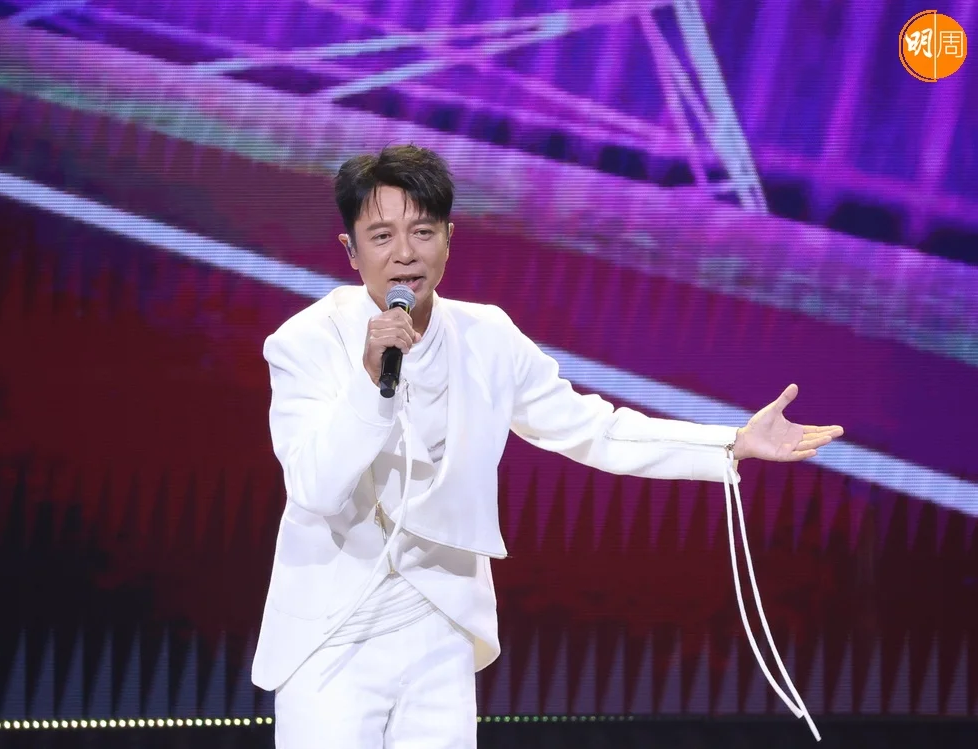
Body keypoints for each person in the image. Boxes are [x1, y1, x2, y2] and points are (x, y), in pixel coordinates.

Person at [251, 144, 843, 748]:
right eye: (382, 236)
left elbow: (595, 429)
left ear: (449, 239)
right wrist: (369, 381)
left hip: (440, 626)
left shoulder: (488, 337)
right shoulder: (306, 343)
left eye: (422, 231)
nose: (405, 253)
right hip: (332, 629)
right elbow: (315, 489)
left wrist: (731, 443)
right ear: (351, 251)